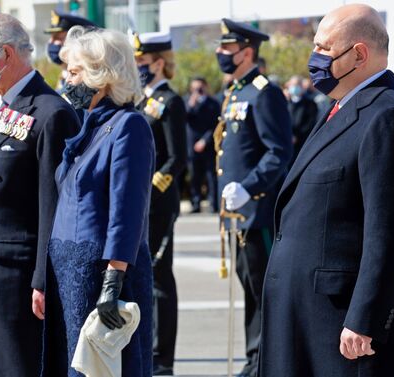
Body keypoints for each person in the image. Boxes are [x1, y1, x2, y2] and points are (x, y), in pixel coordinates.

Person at [259, 5, 394, 377]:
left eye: (325, 48)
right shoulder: (342, 108)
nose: (315, 57)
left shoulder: (389, 116)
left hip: (344, 331)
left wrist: (365, 317)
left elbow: (389, 232)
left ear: (359, 54)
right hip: (307, 319)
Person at [0, 12, 79, 376]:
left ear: (5, 54)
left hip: (15, 273)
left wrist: (42, 279)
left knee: (13, 365)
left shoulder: (51, 112)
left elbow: (51, 205)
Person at [41, 26, 154, 377]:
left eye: (74, 71)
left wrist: (113, 280)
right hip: (70, 270)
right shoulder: (89, 125)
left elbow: (127, 210)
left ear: (102, 75)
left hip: (100, 272)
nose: (66, 80)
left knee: (103, 368)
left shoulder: (128, 126)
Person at [214, 18, 292, 377]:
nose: (221, 53)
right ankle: (255, 358)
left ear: (247, 52)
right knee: (250, 288)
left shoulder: (264, 92)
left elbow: (278, 151)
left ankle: (263, 360)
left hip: (257, 210)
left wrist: (249, 186)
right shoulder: (235, 91)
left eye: (227, 49)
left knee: (264, 291)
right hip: (237, 213)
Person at [132, 31, 187, 375]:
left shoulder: (170, 101)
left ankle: (162, 357)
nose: (138, 66)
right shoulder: (139, 101)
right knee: (142, 277)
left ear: (159, 62)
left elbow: (177, 157)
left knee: (160, 279)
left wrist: (152, 187)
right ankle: (145, 348)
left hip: (158, 202)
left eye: (142, 62)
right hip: (137, 202)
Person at [186, 77, 220, 213]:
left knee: (211, 176)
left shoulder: (213, 103)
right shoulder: (187, 102)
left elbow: (216, 125)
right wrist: (191, 104)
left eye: (199, 88)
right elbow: (184, 118)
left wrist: (205, 141)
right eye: (194, 89)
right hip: (192, 146)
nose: (197, 91)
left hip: (208, 144)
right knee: (195, 175)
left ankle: (213, 203)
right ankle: (195, 203)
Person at [44, 10, 97, 92]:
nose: (51, 42)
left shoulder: (88, 83)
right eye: (51, 37)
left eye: (58, 38)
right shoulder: (63, 75)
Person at [286, 75, 318, 165]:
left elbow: (310, 123)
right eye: (292, 85)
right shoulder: (285, 103)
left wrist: (297, 136)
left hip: (302, 143)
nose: (294, 88)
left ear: (301, 86)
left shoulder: (310, 104)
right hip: (287, 142)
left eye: (296, 85)